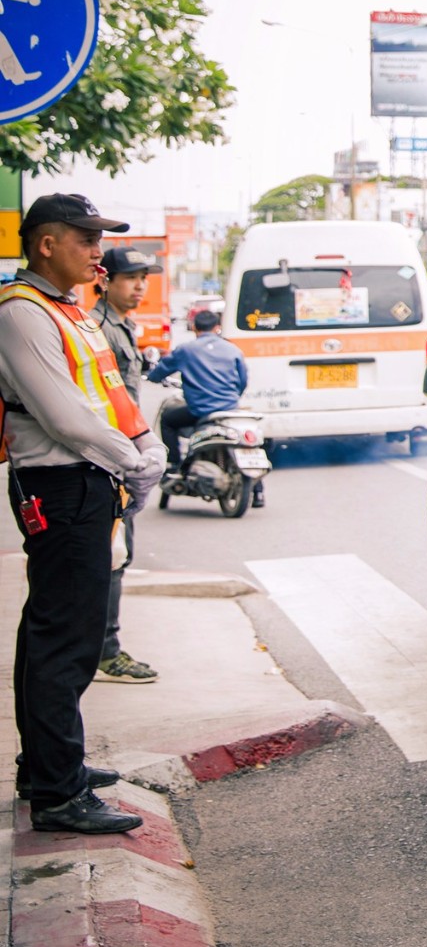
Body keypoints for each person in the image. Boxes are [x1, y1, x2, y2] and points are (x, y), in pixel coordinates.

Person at [0, 193, 166, 834]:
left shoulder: (70, 312)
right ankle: (58, 793)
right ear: (46, 244)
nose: (99, 250)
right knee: (62, 642)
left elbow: (110, 394)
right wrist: (132, 460)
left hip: (87, 482)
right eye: (85, 238)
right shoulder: (22, 314)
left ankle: (44, 765)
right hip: (58, 486)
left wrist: (142, 447)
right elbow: (65, 417)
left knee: (59, 632)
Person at [90, 247, 164, 684]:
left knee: (117, 555)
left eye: (143, 278)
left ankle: (100, 647)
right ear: (104, 280)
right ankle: (105, 651)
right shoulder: (99, 327)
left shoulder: (121, 327)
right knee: (113, 557)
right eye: (129, 277)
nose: (139, 286)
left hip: (126, 457)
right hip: (113, 460)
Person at [147, 308, 248, 466]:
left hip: (199, 410)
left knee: (167, 420)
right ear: (217, 327)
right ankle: (257, 489)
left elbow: (159, 372)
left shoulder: (185, 350)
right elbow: (243, 382)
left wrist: (152, 376)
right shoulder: (233, 349)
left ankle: (173, 465)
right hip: (230, 409)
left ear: (194, 327)